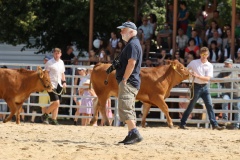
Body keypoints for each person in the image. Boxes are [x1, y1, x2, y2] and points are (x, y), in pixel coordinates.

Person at [179, 47, 225, 130]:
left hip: (205, 87)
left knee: (209, 105)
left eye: (205, 54)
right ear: (200, 54)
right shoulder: (194, 62)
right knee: (191, 106)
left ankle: (214, 124)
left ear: (207, 55)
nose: (204, 56)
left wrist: (197, 76)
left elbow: (208, 78)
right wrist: (190, 72)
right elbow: (186, 69)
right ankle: (182, 123)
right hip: (196, 86)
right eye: (203, 54)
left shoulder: (209, 65)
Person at [115, 21, 143, 145]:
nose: (121, 32)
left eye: (123, 30)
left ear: (131, 31)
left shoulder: (132, 45)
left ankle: (134, 132)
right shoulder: (132, 44)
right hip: (131, 81)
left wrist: (125, 79)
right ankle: (131, 133)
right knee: (126, 107)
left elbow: (132, 63)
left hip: (129, 82)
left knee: (126, 106)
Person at [41, 48, 67, 125]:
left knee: (56, 103)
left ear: (60, 54)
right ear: (53, 54)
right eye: (55, 53)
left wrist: (64, 82)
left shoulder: (61, 62)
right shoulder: (49, 62)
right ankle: (45, 115)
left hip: (59, 84)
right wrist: (47, 84)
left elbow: (62, 73)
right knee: (56, 102)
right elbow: (46, 74)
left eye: (58, 53)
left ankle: (54, 119)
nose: (56, 54)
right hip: (51, 84)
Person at [215, 58, 240, 130]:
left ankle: (236, 125)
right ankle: (225, 121)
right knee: (225, 101)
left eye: (227, 64)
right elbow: (216, 78)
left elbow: (232, 78)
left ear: (231, 65)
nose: (226, 65)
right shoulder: (223, 72)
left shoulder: (236, 71)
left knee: (237, 108)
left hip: (236, 93)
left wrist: (226, 78)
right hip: (227, 92)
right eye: (225, 64)